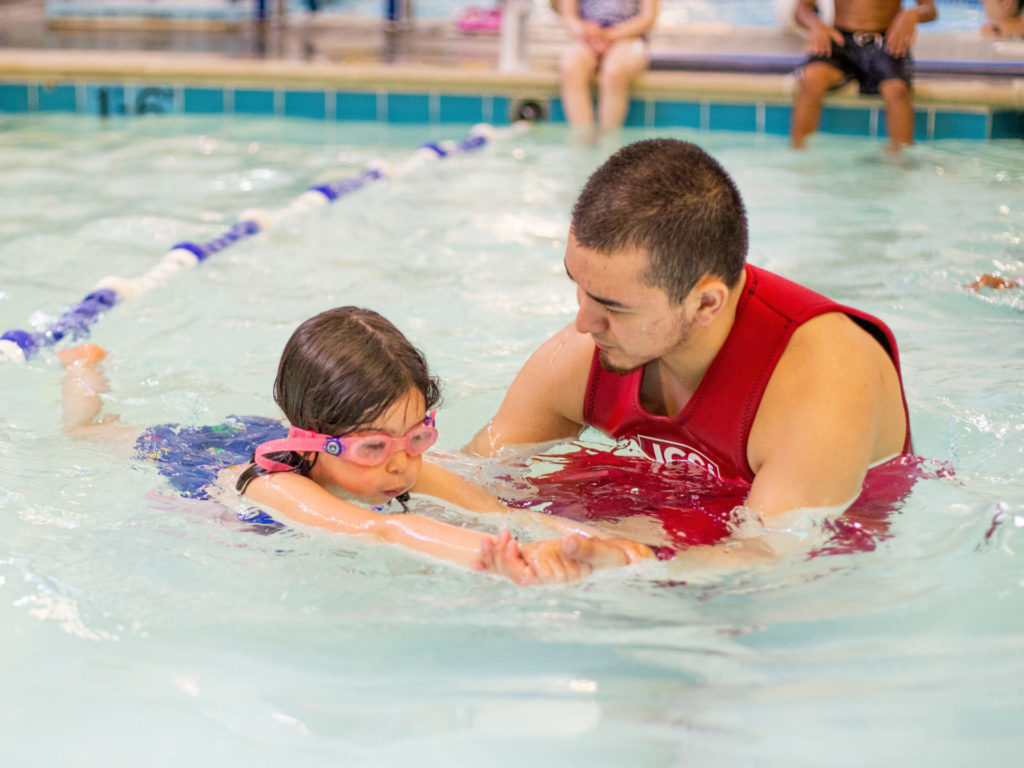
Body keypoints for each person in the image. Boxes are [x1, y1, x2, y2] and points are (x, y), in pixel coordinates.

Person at [465, 139, 914, 546]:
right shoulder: (593, 352)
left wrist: (616, 559)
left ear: (705, 304)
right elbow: (477, 470)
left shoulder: (822, 379)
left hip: (812, 558)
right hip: (680, 503)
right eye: (577, 285)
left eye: (613, 306)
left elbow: (766, 560)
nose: (583, 322)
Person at [58, 307, 652, 584]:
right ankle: (82, 369)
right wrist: (487, 556)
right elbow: (380, 530)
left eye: (419, 435)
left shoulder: (393, 461)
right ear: (317, 443)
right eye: (377, 448)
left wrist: (589, 545)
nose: (403, 463)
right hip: (204, 456)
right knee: (88, 433)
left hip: (298, 440)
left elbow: (500, 512)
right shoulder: (276, 487)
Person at [791, 0, 937, 151]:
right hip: (841, 40)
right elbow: (801, 10)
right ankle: (799, 159)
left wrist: (910, 15)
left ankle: (900, 162)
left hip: (887, 41)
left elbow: (930, 9)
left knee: (897, 90)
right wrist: (816, 26)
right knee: (810, 78)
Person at [557, 0, 659, 135]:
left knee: (615, 71)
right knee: (571, 66)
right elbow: (569, 16)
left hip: (629, 38)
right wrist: (587, 32)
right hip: (587, 38)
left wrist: (608, 35)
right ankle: (581, 141)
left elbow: (647, 18)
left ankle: (609, 142)